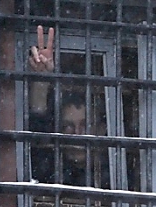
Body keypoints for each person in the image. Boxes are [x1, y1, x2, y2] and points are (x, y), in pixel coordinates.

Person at [28, 25, 109, 188]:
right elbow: (37, 121)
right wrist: (41, 80)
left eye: (85, 125)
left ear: (101, 129)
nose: (77, 134)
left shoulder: (117, 174)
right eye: (68, 126)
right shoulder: (51, 172)